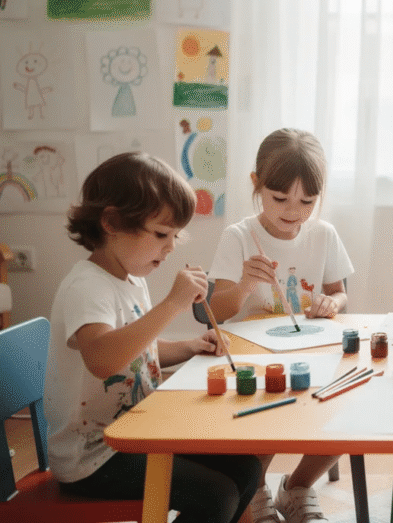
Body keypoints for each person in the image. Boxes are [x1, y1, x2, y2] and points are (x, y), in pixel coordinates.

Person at [44, 152, 263, 523]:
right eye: (161, 234)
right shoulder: (87, 286)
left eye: (175, 236)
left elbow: (135, 349)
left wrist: (190, 347)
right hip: (94, 457)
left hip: (136, 433)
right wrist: (172, 305)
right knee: (216, 495)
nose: (171, 246)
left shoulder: (131, 280)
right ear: (112, 222)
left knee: (246, 469)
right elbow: (102, 360)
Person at [208, 128, 355, 523]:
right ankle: (255, 489)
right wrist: (244, 284)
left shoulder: (323, 234)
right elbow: (217, 311)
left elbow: (340, 294)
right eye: (280, 198)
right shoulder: (238, 236)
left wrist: (331, 302)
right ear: (256, 184)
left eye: (307, 201)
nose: (294, 211)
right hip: (254, 360)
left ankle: (298, 487)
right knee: (269, 413)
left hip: (312, 351)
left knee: (349, 407)